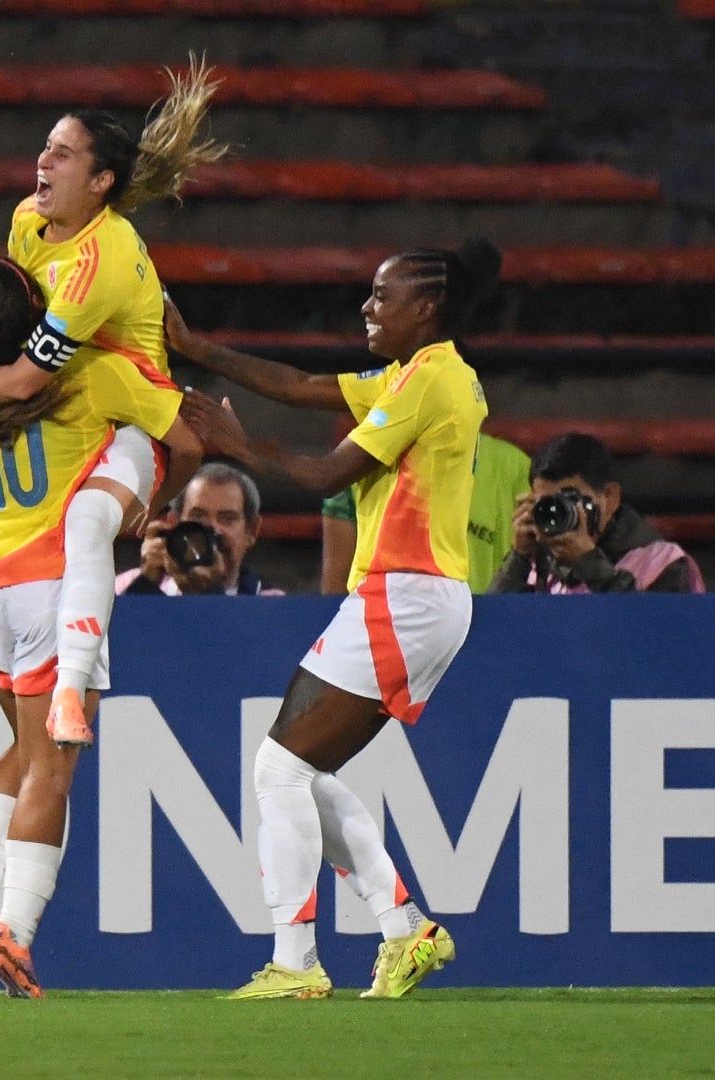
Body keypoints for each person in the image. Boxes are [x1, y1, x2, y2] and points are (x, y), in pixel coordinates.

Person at [0, 65, 225, 755]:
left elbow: (27, 377)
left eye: (63, 152)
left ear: (101, 182)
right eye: (45, 146)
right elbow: (20, 331)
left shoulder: (103, 261)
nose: (42, 159)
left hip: (125, 414)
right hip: (68, 401)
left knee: (89, 518)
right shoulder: (31, 222)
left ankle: (70, 688)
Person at [172, 239, 500, 1000]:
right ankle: (402, 928)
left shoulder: (428, 382)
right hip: (407, 597)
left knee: (279, 768)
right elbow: (298, 383)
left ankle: (295, 963)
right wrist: (194, 346)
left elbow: (324, 474)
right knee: (298, 768)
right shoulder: (421, 375)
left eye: (383, 296)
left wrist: (237, 445)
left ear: (427, 309)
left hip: (407, 595)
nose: (367, 308)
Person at [0, 255, 203, 998]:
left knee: (20, 750)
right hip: (55, 595)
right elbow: (194, 441)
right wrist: (145, 493)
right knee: (53, 768)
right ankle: (13, 933)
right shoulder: (93, 375)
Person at [488, 432, 703, 593]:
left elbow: (654, 636)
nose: (560, 512)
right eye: (548, 503)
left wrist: (587, 562)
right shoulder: (537, 569)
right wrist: (518, 559)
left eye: (570, 499)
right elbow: (491, 634)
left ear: (610, 497)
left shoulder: (663, 564)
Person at [320, 432, 529, 595]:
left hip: (482, 628)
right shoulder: (357, 462)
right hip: (386, 632)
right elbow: (334, 591)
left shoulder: (514, 466)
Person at [118, 462, 285, 596]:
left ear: (251, 531)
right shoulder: (123, 586)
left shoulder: (272, 605)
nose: (212, 529)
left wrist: (210, 593)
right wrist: (144, 587)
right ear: (174, 524)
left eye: (227, 518)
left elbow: (235, 637)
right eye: (198, 516)